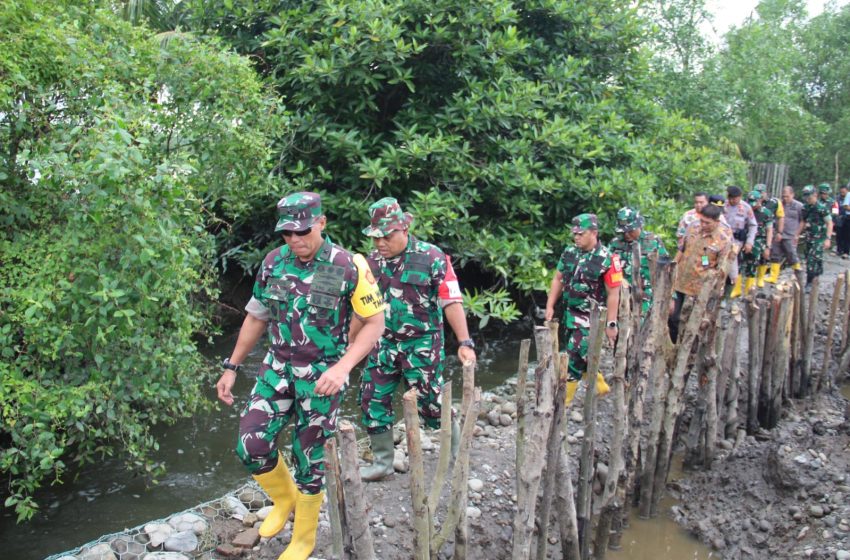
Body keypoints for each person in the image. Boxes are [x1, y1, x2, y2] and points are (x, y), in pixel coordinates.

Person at [216, 192, 386, 560]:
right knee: (251, 444)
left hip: (322, 375)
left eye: (303, 231)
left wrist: (343, 368)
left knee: (309, 457)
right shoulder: (274, 262)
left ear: (321, 223)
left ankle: (304, 537)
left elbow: (374, 323)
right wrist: (231, 366)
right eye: (287, 234)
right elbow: (257, 316)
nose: (295, 240)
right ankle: (284, 499)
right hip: (276, 369)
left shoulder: (348, 265)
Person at [356, 197, 476, 481]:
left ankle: (457, 457)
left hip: (421, 344)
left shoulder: (432, 257)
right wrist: (348, 346)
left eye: (387, 236)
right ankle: (383, 462)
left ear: (404, 230)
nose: (380, 243)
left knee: (432, 404)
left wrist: (465, 342)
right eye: (376, 237)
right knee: (371, 398)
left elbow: (451, 300)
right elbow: (361, 310)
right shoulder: (370, 263)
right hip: (382, 344)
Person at [545, 213, 621, 404]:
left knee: (573, 354)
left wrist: (611, 323)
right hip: (569, 313)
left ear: (594, 233)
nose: (576, 237)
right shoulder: (569, 252)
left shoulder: (608, 259)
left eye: (581, 234)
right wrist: (550, 304)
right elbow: (558, 278)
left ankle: (564, 400)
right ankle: (599, 384)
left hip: (591, 317)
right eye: (575, 234)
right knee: (580, 352)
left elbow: (614, 293)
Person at [668, 204, 732, 343]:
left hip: (699, 288)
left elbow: (721, 269)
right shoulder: (692, 227)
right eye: (702, 220)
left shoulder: (723, 239)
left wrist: (715, 289)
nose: (703, 225)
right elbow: (681, 249)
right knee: (673, 316)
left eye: (707, 223)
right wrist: (673, 266)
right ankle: (673, 345)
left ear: (717, 221)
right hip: (680, 282)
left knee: (693, 322)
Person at [608, 207, 669, 319]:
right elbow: (608, 268)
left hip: (647, 297)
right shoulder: (615, 244)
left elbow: (666, 270)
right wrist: (620, 279)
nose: (627, 235)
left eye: (630, 231)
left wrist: (670, 296)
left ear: (639, 225)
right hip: (622, 296)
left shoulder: (653, 241)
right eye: (623, 232)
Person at [723, 186, 757, 298]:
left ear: (740, 197)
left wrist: (749, 242)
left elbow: (753, 225)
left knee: (732, 268)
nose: (732, 201)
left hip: (737, 242)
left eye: (735, 198)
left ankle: (728, 294)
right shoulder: (723, 205)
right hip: (722, 241)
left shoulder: (746, 208)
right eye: (730, 198)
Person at [767, 186, 804, 284]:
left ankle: (798, 275)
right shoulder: (778, 204)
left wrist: (797, 234)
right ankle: (773, 276)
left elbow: (802, 221)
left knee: (791, 254)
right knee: (775, 254)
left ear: (792, 195)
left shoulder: (799, 206)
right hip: (778, 234)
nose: (785, 199)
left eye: (787, 196)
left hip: (790, 234)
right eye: (783, 196)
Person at [739, 191, 774, 295]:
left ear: (760, 201)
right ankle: (736, 288)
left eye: (754, 202)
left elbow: (769, 230)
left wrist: (768, 246)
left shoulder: (766, 213)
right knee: (739, 263)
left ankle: (749, 289)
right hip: (744, 239)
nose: (752, 205)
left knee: (753, 262)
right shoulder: (744, 211)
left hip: (759, 240)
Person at [801, 185, 833, 291]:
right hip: (809, 237)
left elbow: (829, 223)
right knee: (810, 259)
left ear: (815, 195)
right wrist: (796, 235)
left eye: (809, 197)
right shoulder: (806, 207)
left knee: (812, 259)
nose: (807, 199)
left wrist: (828, 238)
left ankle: (809, 282)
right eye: (806, 197)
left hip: (819, 238)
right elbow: (803, 222)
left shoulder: (821, 208)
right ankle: (816, 276)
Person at [836, 184, 850, 258]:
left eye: (843, 192)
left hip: (847, 217)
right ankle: (839, 250)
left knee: (847, 235)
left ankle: (846, 251)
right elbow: (835, 207)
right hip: (840, 217)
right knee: (839, 235)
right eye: (841, 192)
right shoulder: (837, 198)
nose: (842, 194)